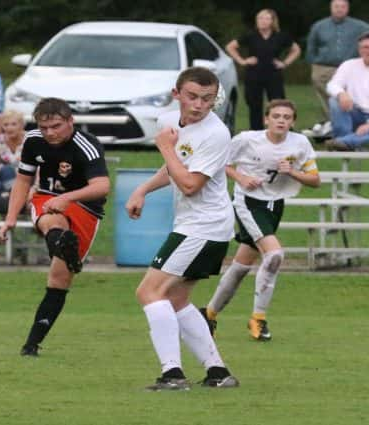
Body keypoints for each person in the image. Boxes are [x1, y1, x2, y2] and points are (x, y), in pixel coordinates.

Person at [125, 67, 239, 390]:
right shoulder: (168, 123)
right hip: (195, 226)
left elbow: (189, 184)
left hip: (205, 227)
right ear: (177, 94)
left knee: (149, 292)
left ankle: (172, 374)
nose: (199, 105)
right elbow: (175, 168)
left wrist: (165, 148)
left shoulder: (216, 134)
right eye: (191, 96)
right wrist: (143, 189)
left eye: (207, 99)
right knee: (174, 300)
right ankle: (218, 372)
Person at [0, 97, 110, 357]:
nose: (50, 133)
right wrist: (10, 219)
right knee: (51, 220)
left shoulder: (87, 145)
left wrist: (68, 198)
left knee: (60, 279)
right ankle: (29, 349)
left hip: (86, 207)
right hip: (47, 197)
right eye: (44, 127)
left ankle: (34, 341)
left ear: (71, 121)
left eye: (56, 126)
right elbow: (23, 181)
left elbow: (102, 186)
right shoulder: (33, 140)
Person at [202, 99, 320, 341]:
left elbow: (315, 180)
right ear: (266, 119)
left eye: (287, 117)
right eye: (276, 116)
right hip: (248, 202)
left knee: (241, 266)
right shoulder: (247, 139)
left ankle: (209, 313)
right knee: (275, 255)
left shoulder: (300, 143)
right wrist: (241, 178)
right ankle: (258, 319)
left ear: (293, 122)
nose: (281, 121)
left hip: (274, 205)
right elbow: (220, 163)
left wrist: (293, 172)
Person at [225, 8, 301, 131]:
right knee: (254, 105)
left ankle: (280, 131)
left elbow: (296, 49)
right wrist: (242, 61)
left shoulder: (280, 36)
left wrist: (285, 63)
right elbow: (230, 47)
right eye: (260, 18)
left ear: (272, 21)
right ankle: (256, 132)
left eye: (266, 18)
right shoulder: (250, 35)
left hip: (273, 74)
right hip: (254, 74)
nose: (262, 21)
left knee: (278, 104)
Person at [306, 0, 369, 120]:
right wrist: (314, 62)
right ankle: (331, 120)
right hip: (323, 67)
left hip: (348, 68)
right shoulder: (319, 26)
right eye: (336, 6)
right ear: (331, 8)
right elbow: (311, 45)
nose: (339, 9)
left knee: (349, 95)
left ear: (347, 9)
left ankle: (348, 120)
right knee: (326, 95)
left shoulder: (360, 26)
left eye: (343, 6)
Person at [0, 110, 26, 214]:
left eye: (13, 124)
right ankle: (11, 197)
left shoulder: (30, 139)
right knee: (5, 170)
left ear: (21, 125)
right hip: (6, 177)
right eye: (5, 125)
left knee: (7, 169)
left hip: (26, 176)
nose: (9, 128)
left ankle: (10, 197)